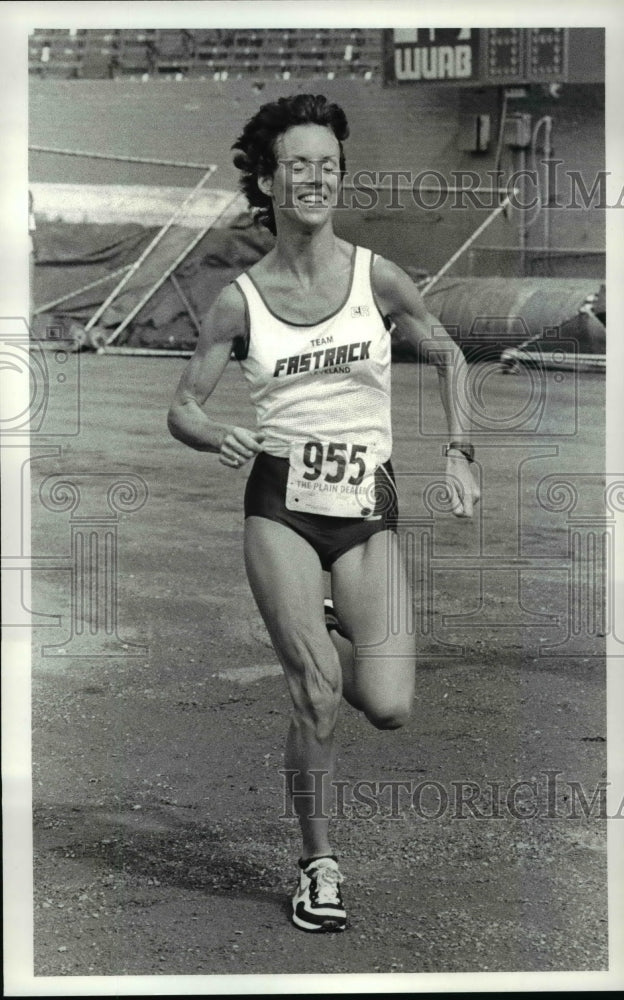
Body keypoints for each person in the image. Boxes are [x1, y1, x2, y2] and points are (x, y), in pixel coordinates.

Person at [167, 93, 480, 933]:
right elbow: (184, 407)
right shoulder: (239, 300)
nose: (314, 178)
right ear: (268, 182)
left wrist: (459, 451)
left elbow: (447, 351)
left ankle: (336, 608)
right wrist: (213, 436)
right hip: (280, 508)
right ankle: (319, 864)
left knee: (389, 704)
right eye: (296, 165)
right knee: (318, 690)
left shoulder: (377, 278)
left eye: (327, 165)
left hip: (367, 504)